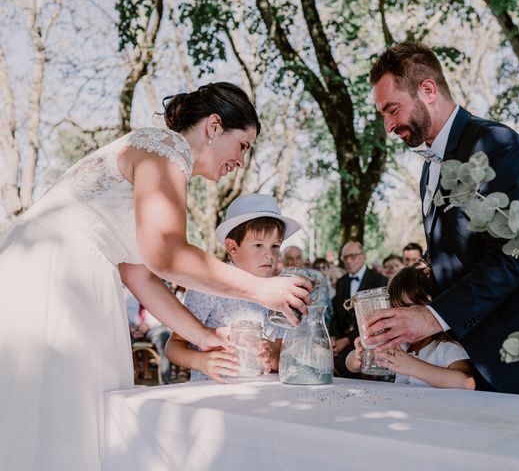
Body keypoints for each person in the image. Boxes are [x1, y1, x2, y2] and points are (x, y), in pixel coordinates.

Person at [0, 82, 310, 470]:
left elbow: (141, 275)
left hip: (65, 269)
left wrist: (206, 337)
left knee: (60, 415)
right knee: (60, 410)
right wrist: (264, 290)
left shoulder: (162, 163)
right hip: (58, 274)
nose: (241, 161)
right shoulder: (166, 149)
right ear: (214, 126)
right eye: (243, 145)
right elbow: (168, 254)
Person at [367, 42, 519, 394]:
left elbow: (517, 256)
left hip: (514, 358)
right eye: (383, 115)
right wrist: (396, 324)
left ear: (428, 90)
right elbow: (453, 259)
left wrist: (430, 317)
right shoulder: (428, 171)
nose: (389, 125)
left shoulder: (496, 144)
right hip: (468, 355)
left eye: (393, 109)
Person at [165, 194, 298, 381]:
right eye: (259, 245)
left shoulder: (277, 291)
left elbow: (282, 350)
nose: (269, 254)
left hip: (263, 394)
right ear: (232, 248)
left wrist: (274, 355)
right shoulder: (208, 287)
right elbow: (174, 346)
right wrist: (200, 361)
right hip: (214, 392)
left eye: (275, 246)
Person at [345, 262, 475, 390]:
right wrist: (357, 358)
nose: (400, 321)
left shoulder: (446, 348)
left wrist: (412, 366)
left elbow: (467, 383)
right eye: (395, 311)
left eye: (408, 310)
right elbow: (349, 364)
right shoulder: (400, 345)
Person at [330, 241, 388, 378]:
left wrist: (347, 340)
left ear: (363, 256)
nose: (349, 260)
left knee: (344, 365)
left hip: (368, 341)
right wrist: (333, 338)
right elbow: (337, 315)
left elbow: (377, 319)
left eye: (353, 256)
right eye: (345, 257)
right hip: (341, 341)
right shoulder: (341, 282)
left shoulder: (380, 281)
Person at [125, 287, 172, 383]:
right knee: (120, 338)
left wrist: (148, 325)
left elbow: (162, 314)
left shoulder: (155, 289)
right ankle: (128, 378)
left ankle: (165, 381)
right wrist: (129, 327)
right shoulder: (125, 292)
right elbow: (121, 313)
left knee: (164, 335)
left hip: (152, 328)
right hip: (131, 328)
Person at [283, 245, 334, 327]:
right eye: (290, 258)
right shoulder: (279, 280)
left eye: (298, 258)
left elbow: (323, 307)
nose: (294, 262)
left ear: (302, 259)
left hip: (314, 326)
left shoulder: (316, 276)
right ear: (284, 261)